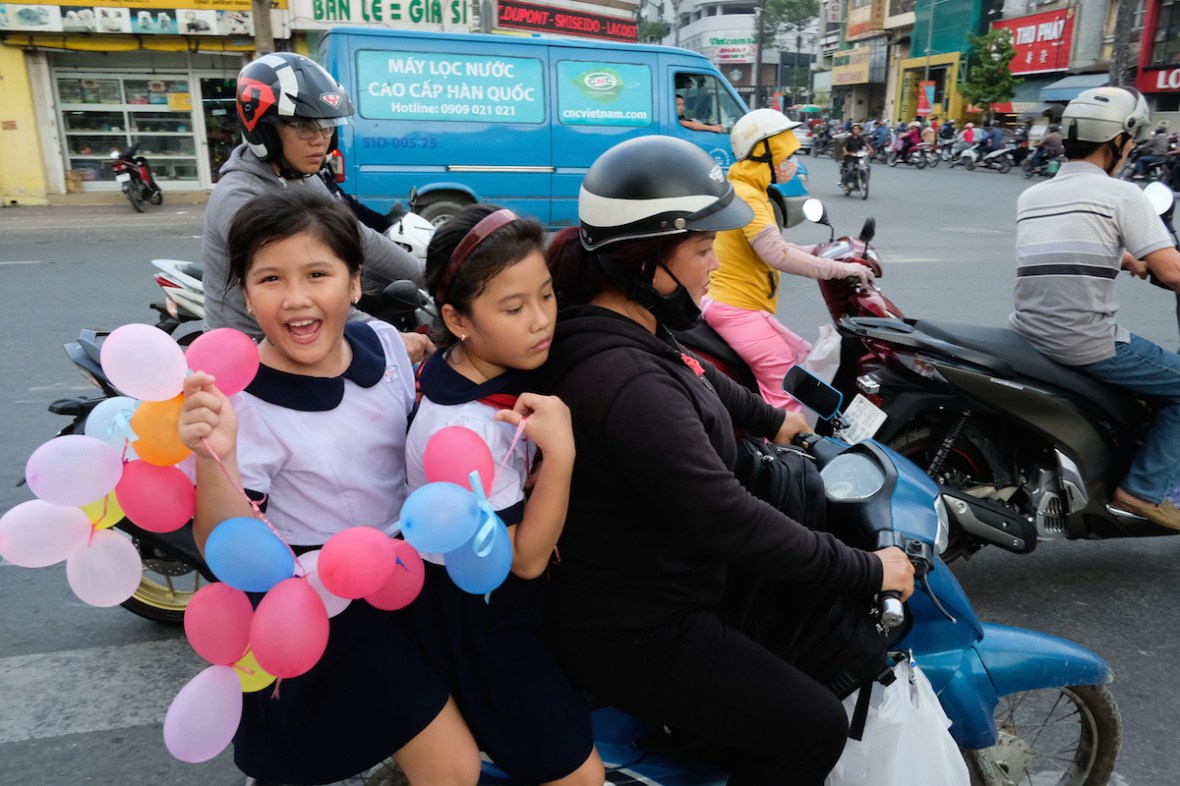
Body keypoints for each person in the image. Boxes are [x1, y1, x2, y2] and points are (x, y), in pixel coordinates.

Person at [540, 135, 915, 786]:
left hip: (662, 581)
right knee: (812, 726)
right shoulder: (627, 386)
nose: (714, 263)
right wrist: (865, 569)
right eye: (703, 247)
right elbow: (731, 521)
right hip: (638, 625)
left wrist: (781, 422)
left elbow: (699, 378)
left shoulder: (624, 325)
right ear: (644, 259)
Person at [177, 188, 481, 786]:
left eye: (318, 273)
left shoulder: (389, 349)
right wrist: (217, 453)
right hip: (324, 601)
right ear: (242, 291)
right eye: (269, 278)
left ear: (355, 282)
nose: (296, 299)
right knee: (450, 767)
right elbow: (224, 547)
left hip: (414, 576)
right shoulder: (238, 401)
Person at [402, 204, 605, 786]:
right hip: (482, 621)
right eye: (514, 308)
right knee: (580, 776)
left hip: (475, 598)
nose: (541, 320)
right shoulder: (466, 429)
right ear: (457, 319)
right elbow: (523, 558)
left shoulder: (460, 367)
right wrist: (561, 456)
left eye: (546, 295)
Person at [1010, 86, 1180, 531]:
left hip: (1029, 332)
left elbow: (1063, 249)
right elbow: (1174, 272)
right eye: (1132, 139)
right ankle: (1142, 491)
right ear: (1118, 142)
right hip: (1085, 341)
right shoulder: (1123, 195)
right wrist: (1148, 260)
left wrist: (1122, 257)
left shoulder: (1033, 196)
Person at [203, 52, 430, 361]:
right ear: (263, 128)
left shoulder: (301, 178)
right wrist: (388, 338)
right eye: (303, 126)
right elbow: (305, 294)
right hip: (251, 358)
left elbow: (361, 239)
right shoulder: (240, 198)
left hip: (300, 341)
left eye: (326, 127)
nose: (320, 141)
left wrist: (434, 279)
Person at [704, 109, 875, 412]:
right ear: (765, 152)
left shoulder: (749, 190)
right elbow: (778, 255)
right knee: (784, 387)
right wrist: (842, 269)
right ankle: (785, 454)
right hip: (734, 307)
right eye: (786, 155)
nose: (791, 164)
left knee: (801, 359)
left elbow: (776, 246)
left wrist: (822, 249)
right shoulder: (747, 195)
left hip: (741, 307)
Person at [839, 122, 872, 193]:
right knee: (850, 169)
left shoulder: (861, 138)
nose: (856, 130)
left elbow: (866, 144)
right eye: (855, 129)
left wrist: (870, 150)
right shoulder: (848, 139)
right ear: (852, 130)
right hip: (850, 157)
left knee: (868, 167)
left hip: (859, 157)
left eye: (857, 129)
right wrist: (846, 152)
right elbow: (843, 146)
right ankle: (844, 183)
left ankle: (865, 181)